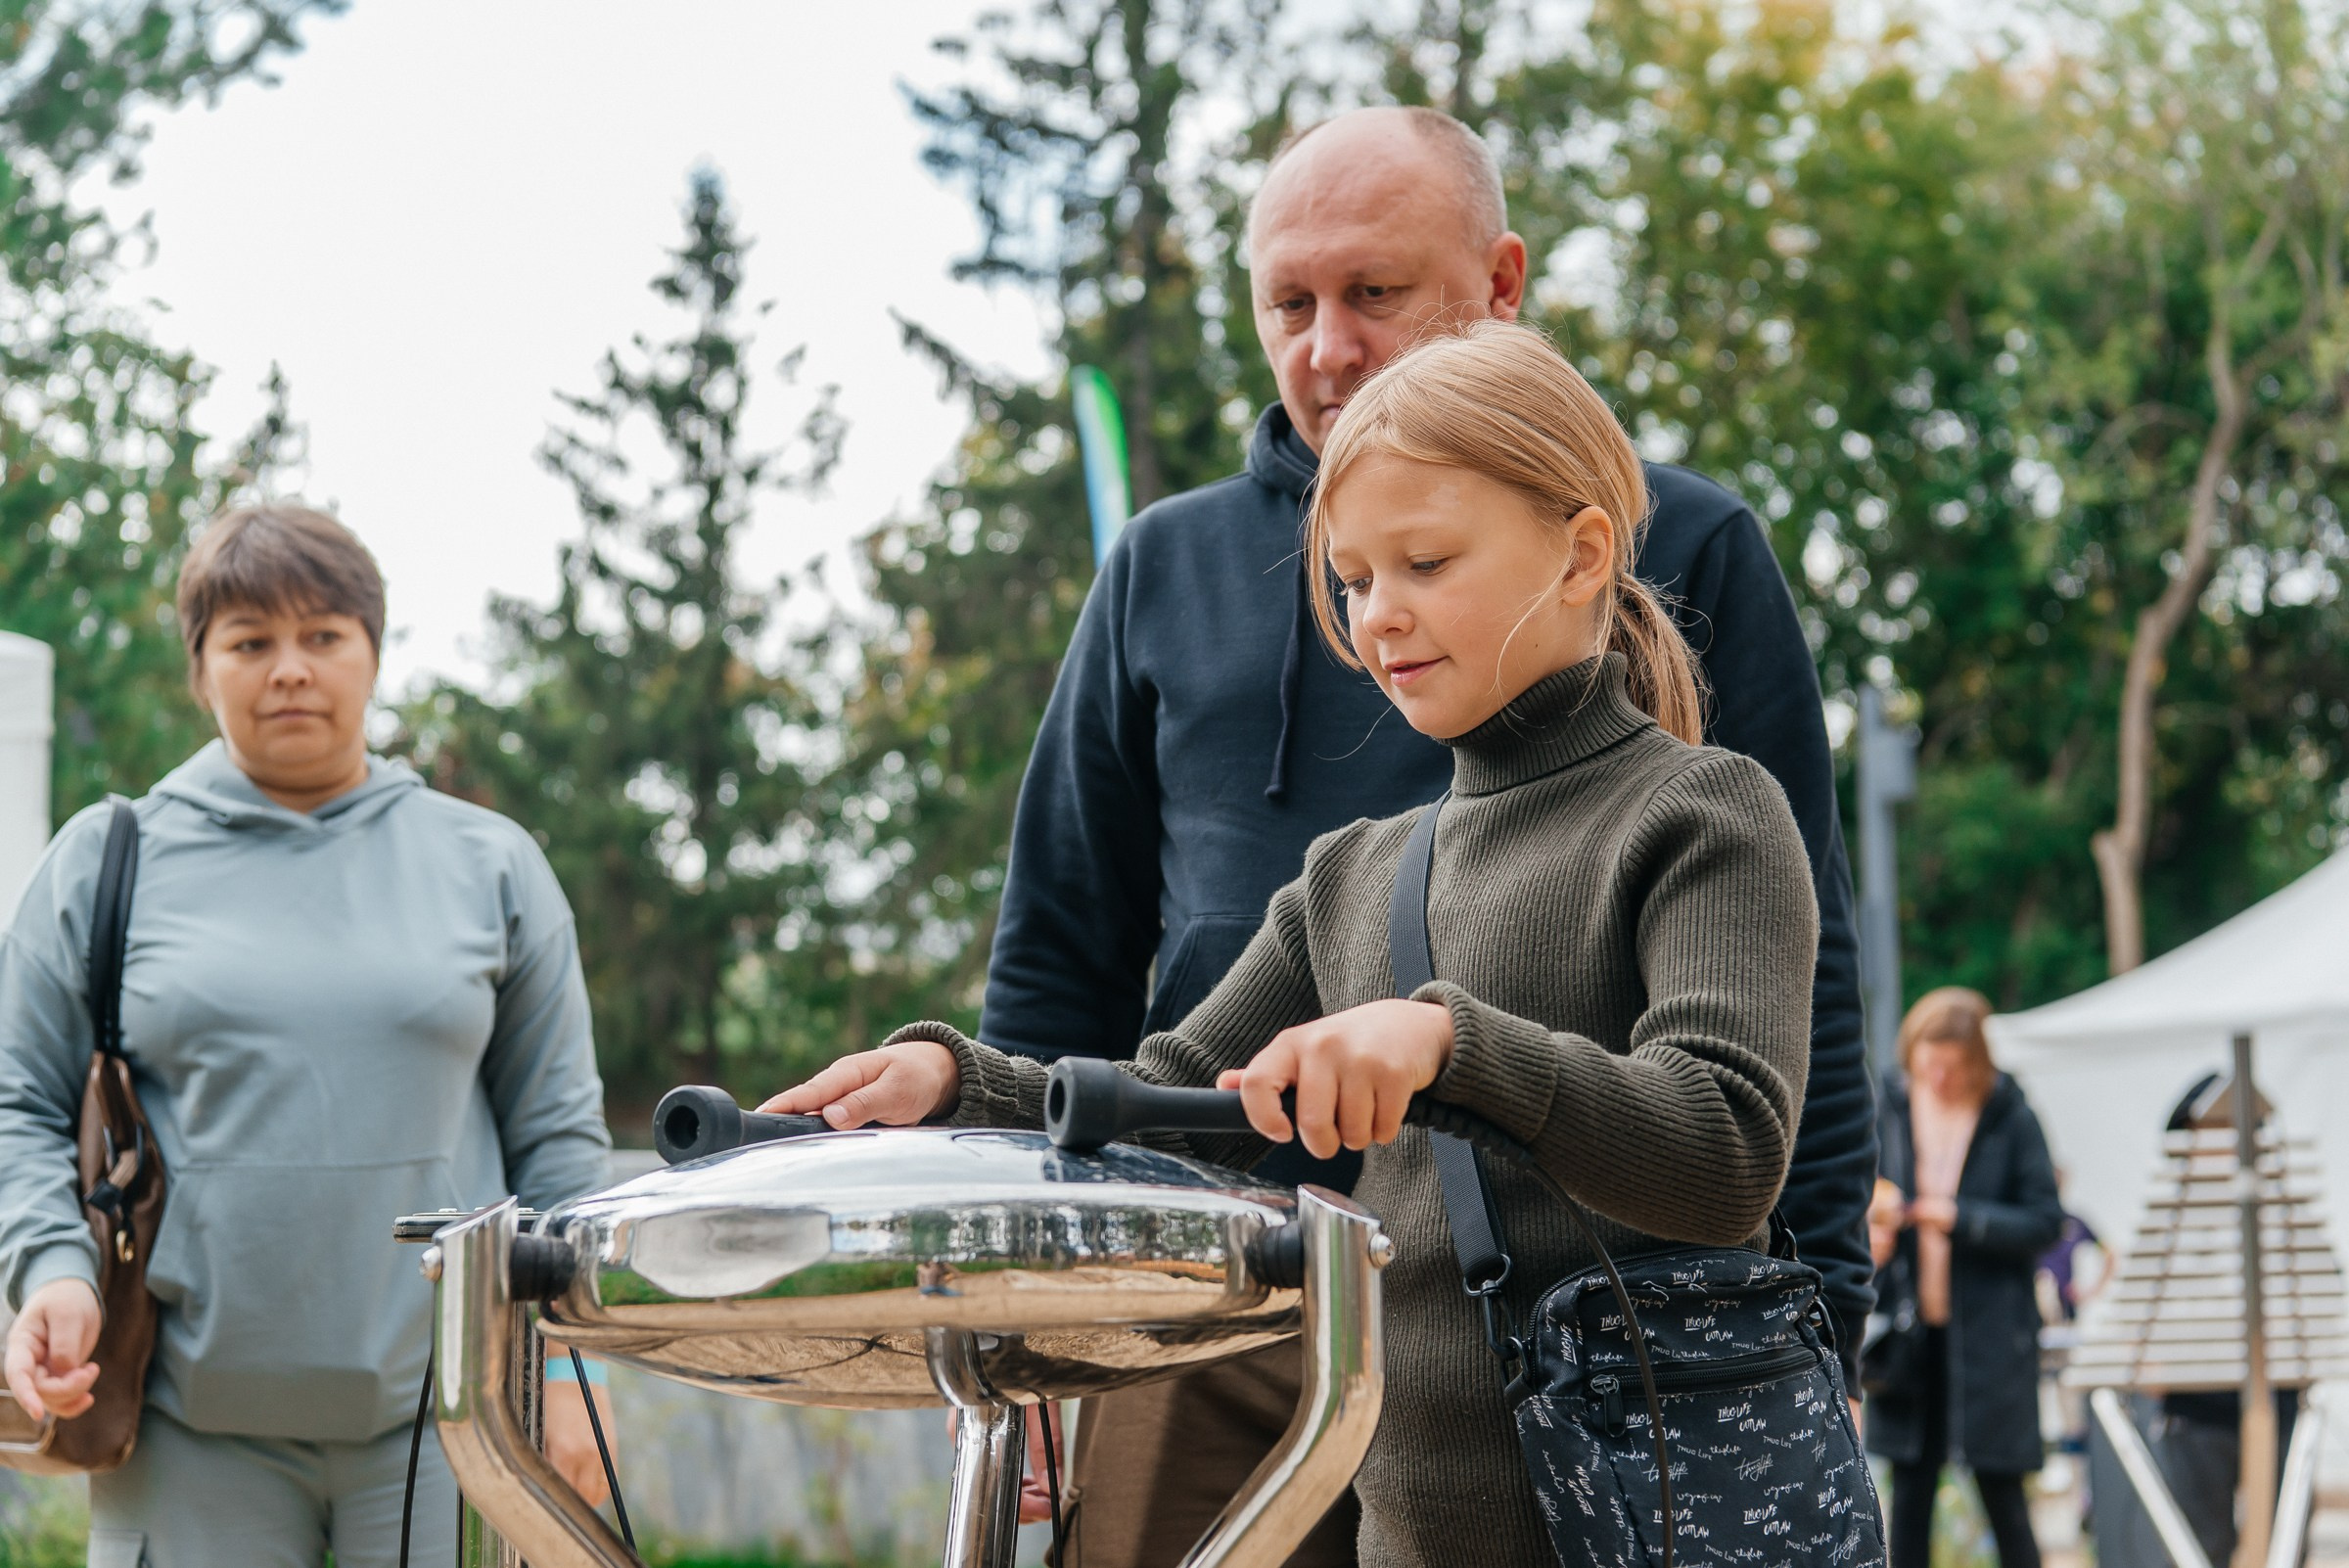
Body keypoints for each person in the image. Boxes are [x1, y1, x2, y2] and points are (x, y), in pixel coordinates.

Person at [762, 319, 1848, 1567]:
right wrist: (968, 1085)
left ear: (1582, 553)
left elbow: (1724, 1155)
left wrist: (1449, 1045)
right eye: (1353, 577)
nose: (1380, 617)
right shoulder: (1353, 875)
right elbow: (1174, 1105)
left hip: (1664, 1532)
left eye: (1427, 562)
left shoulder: (1706, 811)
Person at [976, 103, 1877, 1560]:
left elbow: (1787, 1008)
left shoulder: (1690, 572)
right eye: (1289, 301)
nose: (1326, 345)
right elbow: (1081, 978)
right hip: (1218, 1296)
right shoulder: (1176, 586)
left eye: (1374, 293)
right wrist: (981, 1161)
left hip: (1591, 1333)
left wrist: (1816, 1308)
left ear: (1499, 283)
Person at [0, 507, 616, 1568]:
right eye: (250, 641)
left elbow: (557, 1141)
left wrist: (572, 1373)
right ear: (201, 670)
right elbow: (17, 1100)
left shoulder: (493, 866)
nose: (290, 669)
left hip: (454, 1416)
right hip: (187, 1430)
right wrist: (49, 1269)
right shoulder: (106, 862)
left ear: (373, 654)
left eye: (323, 635)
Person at [1868, 988, 2064, 1568]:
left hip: (1990, 1338)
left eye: (1952, 1069)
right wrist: (1876, 1224)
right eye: (1928, 1066)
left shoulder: (2011, 1115)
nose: (1939, 1079)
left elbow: (2044, 1221)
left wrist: (1958, 1218)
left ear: (1976, 1062)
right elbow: (1860, 1191)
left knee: (2002, 1493)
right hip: (1908, 1336)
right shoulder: (1892, 1106)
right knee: (1908, 1498)